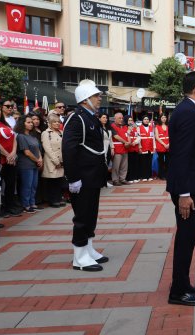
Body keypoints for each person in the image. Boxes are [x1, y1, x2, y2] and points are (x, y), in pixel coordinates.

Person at [166, 71, 195, 306]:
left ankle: (183, 283)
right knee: (185, 238)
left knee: (188, 237)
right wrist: (184, 194)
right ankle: (178, 291)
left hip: (192, 184)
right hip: (187, 188)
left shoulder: (192, 110)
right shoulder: (187, 112)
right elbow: (180, 156)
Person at [62, 80, 109, 272]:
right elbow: (69, 149)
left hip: (93, 176)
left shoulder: (91, 118)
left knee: (91, 214)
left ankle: (88, 248)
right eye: (96, 96)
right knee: (82, 216)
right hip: (82, 177)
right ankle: (79, 257)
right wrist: (73, 178)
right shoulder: (77, 119)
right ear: (85, 99)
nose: (99, 99)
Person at [15, 115, 42, 213]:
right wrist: (37, 160)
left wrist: (40, 158)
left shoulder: (32, 136)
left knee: (34, 185)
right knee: (27, 185)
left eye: (31, 122)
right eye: (28, 122)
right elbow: (27, 152)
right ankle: (26, 205)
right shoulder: (21, 136)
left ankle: (32, 203)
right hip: (25, 165)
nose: (31, 124)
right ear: (23, 123)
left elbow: (38, 149)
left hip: (34, 164)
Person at [41, 115, 66, 207]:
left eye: (58, 122)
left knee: (59, 181)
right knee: (52, 181)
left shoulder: (62, 132)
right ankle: (53, 200)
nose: (57, 123)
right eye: (54, 122)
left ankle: (58, 198)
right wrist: (56, 161)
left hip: (62, 160)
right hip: (52, 160)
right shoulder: (46, 133)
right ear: (50, 123)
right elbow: (47, 148)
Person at [110, 112, 129, 186]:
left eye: (122, 118)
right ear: (115, 119)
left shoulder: (124, 127)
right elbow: (116, 136)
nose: (121, 120)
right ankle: (115, 180)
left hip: (125, 148)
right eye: (119, 118)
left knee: (124, 165)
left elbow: (128, 135)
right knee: (116, 166)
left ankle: (122, 179)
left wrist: (128, 142)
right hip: (117, 149)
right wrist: (125, 142)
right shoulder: (112, 126)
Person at [138, 116, 155, 181]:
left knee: (149, 162)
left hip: (150, 148)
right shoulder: (139, 128)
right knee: (143, 163)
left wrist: (154, 147)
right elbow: (138, 138)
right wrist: (139, 147)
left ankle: (149, 176)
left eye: (147, 119)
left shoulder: (152, 128)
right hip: (143, 147)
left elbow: (153, 138)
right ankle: (144, 176)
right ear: (142, 120)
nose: (146, 120)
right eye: (145, 119)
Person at [99, 114, 114, 187]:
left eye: (106, 118)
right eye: (103, 117)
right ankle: (101, 181)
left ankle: (105, 181)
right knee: (102, 166)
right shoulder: (98, 128)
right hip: (101, 149)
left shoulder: (108, 128)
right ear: (99, 119)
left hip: (108, 149)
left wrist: (112, 148)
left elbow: (110, 139)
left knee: (107, 165)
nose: (105, 119)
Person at [126, 116, 141, 183]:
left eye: (131, 120)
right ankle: (130, 178)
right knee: (130, 164)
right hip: (129, 148)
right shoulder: (125, 128)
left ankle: (135, 177)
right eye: (129, 120)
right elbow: (126, 136)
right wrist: (129, 130)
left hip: (135, 147)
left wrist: (135, 142)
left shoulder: (136, 128)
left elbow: (139, 137)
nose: (130, 122)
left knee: (136, 163)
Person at [154, 114, 170, 180]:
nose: (164, 118)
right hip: (161, 145)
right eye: (162, 117)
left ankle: (167, 175)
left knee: (167, 161)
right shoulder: (157, 127)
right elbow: (157, 137)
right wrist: (164, 144)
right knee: (161, 162)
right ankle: (161, 175)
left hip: (168, 146)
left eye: (165, 117)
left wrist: (168, 144)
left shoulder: (169, 126)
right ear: (160, 118)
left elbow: (172, 136)